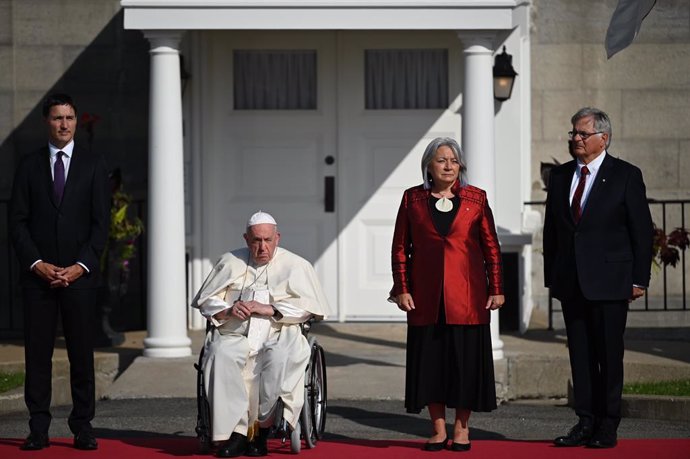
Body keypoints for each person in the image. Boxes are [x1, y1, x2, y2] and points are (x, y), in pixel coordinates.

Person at [543, 107, 653, 449]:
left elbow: (642, 231)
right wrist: (553, 278)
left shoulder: (625, 175)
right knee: (581, 356)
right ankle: (585, 421)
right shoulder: (561, 177)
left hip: (610, 282)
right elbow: (552, 233)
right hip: (572, 283)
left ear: (602, 138)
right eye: (573, 133)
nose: (575, 138)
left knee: (608, 354)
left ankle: (608, 424)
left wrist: (639, 279)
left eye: (582, 134)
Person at [390, 137, 505, 452]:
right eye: (442, 160)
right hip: (425, 298)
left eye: (454, 161)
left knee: (464, 366)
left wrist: (497, 288)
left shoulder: (476, 199)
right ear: (429, 165)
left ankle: (462, 429)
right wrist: (402, 288)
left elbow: (491, 247)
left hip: (467, 298)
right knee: (431, 366)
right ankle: (438, 430)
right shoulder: (412, 200)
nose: (449, 166)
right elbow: (400, 247)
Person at [9, 93, 110, 451]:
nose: (64, 124)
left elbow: (101, 226)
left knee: (81, 354)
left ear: (76, 121)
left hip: (79, 279)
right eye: (57, 118)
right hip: (38, 280)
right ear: (46, 122)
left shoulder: (94, 165)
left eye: (69, 118)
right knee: (38, 356)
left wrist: (80, 267)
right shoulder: (29, 165)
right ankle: (38, 427)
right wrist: (37, 264)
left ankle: (82, 426)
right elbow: (17, 222)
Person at [191, 211, 329, 458]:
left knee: (279, 358)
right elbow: (206, 302)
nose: (262, 247)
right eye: (256, 241)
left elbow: (309, 308)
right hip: (235, 333)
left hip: (278, 332)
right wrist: (228, 309)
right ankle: (237, 433)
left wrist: (271, 309)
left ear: (278, 238)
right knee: (220, 354)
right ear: (246, 239)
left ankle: (262, 429)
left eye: (267, 240)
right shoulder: (230, 261)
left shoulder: (297, 265)